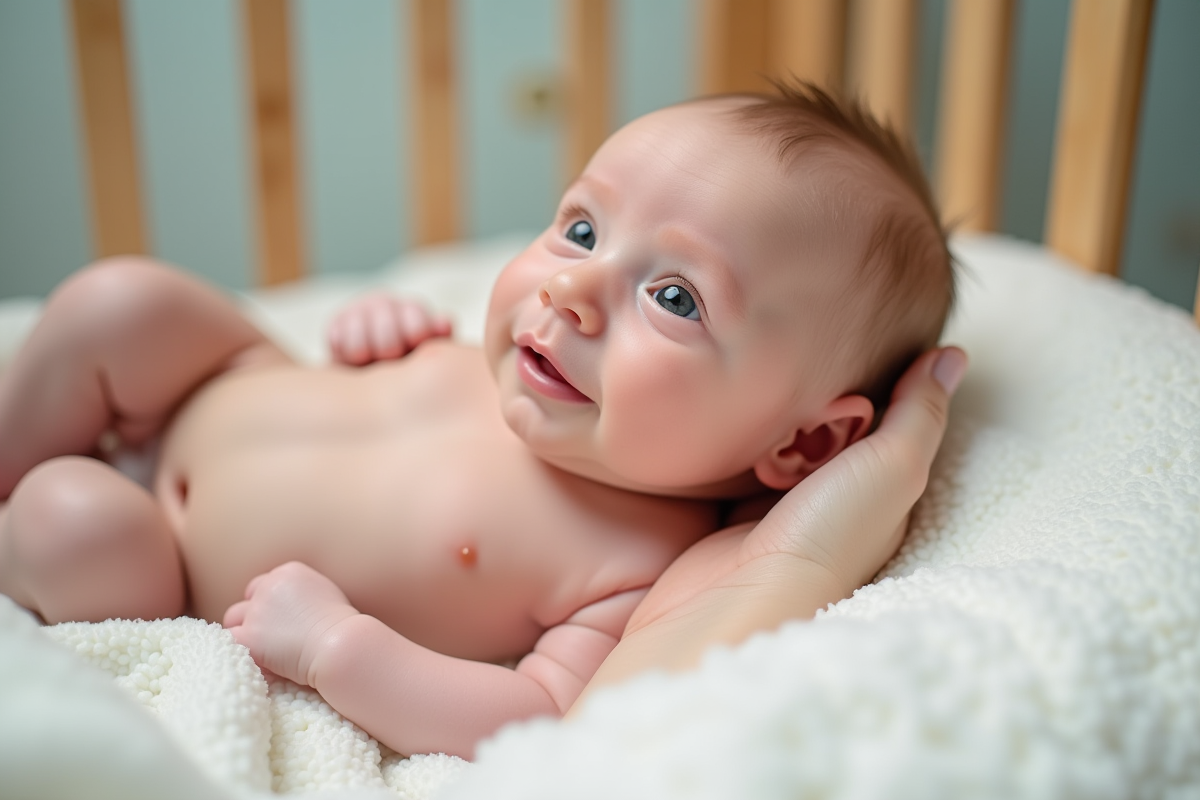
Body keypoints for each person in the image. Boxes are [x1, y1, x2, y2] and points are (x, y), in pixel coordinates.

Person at [0, 83, 957, 758]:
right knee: (120, 303)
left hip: (167, 551)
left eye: (674, 297)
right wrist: (390, 337)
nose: (571, 290)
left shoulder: (632, 568)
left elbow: (531, 716)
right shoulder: (529, 368)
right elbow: (379, 393)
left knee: (74, 524)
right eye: (581, 230)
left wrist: (342, 650)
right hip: (233, 378)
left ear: (805, 443)